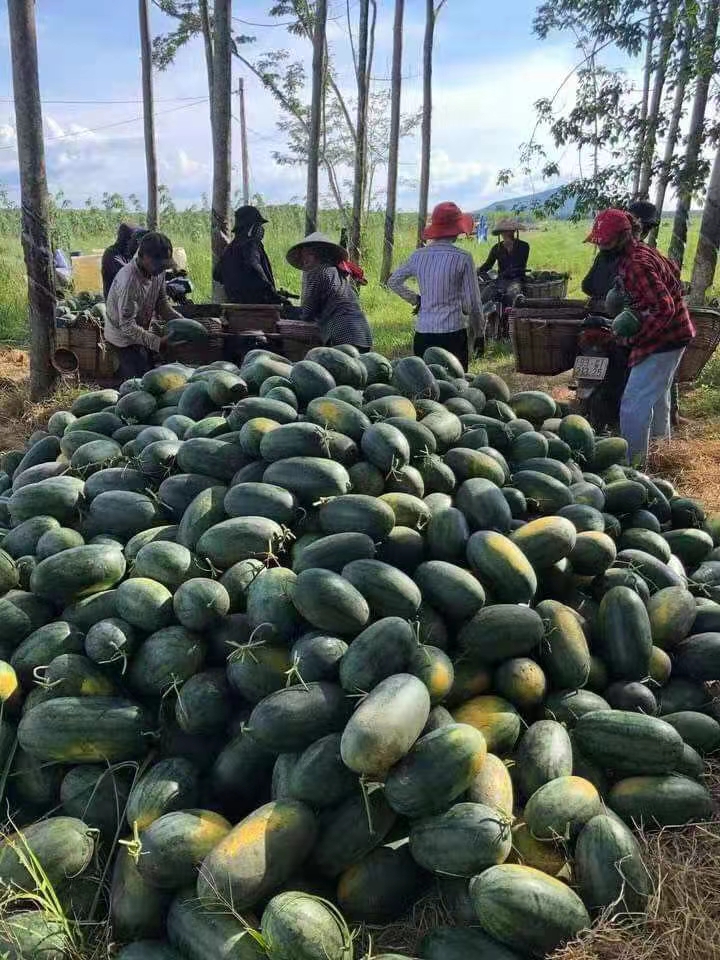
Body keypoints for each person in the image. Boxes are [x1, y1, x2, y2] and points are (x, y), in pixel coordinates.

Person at [584, 209, 695, 466]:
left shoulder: (636, 263)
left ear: (623, 236)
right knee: (657, 396)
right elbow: (674, 278)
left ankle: (634, 467)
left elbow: (664, 307)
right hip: (676, 332)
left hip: (665, 337)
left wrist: (636, 337)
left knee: (634, 403)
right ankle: (660, 454)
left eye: (606, 241)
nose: (602, 246)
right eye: (599, 241)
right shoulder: (641, 251)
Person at [387, 202, 484, 371]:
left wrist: (416, 299)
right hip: (453, 334)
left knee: (427, 390)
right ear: (457, 229)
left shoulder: (418, 256)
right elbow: (472, 303)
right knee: (457, 389)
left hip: (424, 334)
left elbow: (393, 281)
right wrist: (479, 334)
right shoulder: (463, 258)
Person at [104, 232, 182, 381]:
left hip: (141, 329)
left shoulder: (157, 272)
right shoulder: (129, 281)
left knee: (151, 374)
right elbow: (127, 326)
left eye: (165, 265)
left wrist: (183, 322)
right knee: (136, 383)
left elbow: (162, 304)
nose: (162, 269)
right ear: (144, 256)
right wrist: (156, 342)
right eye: (159, 264)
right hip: (122, 338)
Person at [286, 232, 373, 351]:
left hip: (343, 334)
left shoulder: (318, 272)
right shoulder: (335, 271)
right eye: (302, 255)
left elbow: (308, 312)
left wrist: (287, 311)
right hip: (363, 333)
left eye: (308, 254)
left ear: (319, 255)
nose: (304, 259)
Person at [213, 205, 282, 305]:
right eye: (258, 225)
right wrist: (272, 293)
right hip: (258, 309)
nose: (261, 229)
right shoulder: (251, 244)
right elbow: (254, 268)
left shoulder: (230, 248)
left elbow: (217, 274)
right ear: (251, 226)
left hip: (236, 307)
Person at [477, 217, 529, 306]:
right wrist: (477, 271)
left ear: (514, 231)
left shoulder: (524, 246)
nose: (508, 233)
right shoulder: (496, 248)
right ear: (500, 233)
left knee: (512, 295)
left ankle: (510, 317)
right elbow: (488, 265)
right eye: (505, 231)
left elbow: (520, 263)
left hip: (517, 279)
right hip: (500, 280)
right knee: (484, 296)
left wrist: (511, 248)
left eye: (510, 231)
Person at [102, 223, 146, 299]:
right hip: (117, 306)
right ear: (128, 241)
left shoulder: (128, 255)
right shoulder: (112, 255)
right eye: (137, 240)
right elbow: (132, 277)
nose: (139, 244)